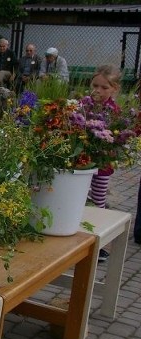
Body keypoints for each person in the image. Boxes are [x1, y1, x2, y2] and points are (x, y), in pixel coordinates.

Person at [86, 64, 123, 262]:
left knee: (98, 201)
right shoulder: (85, 105)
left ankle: (97, 243)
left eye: (104, 88)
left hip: (102, 166)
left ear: (114, 89)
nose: (98, 91)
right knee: (80, 199)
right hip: (82, 163)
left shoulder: (115, 113)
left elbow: (117, 138)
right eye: (95, 86)